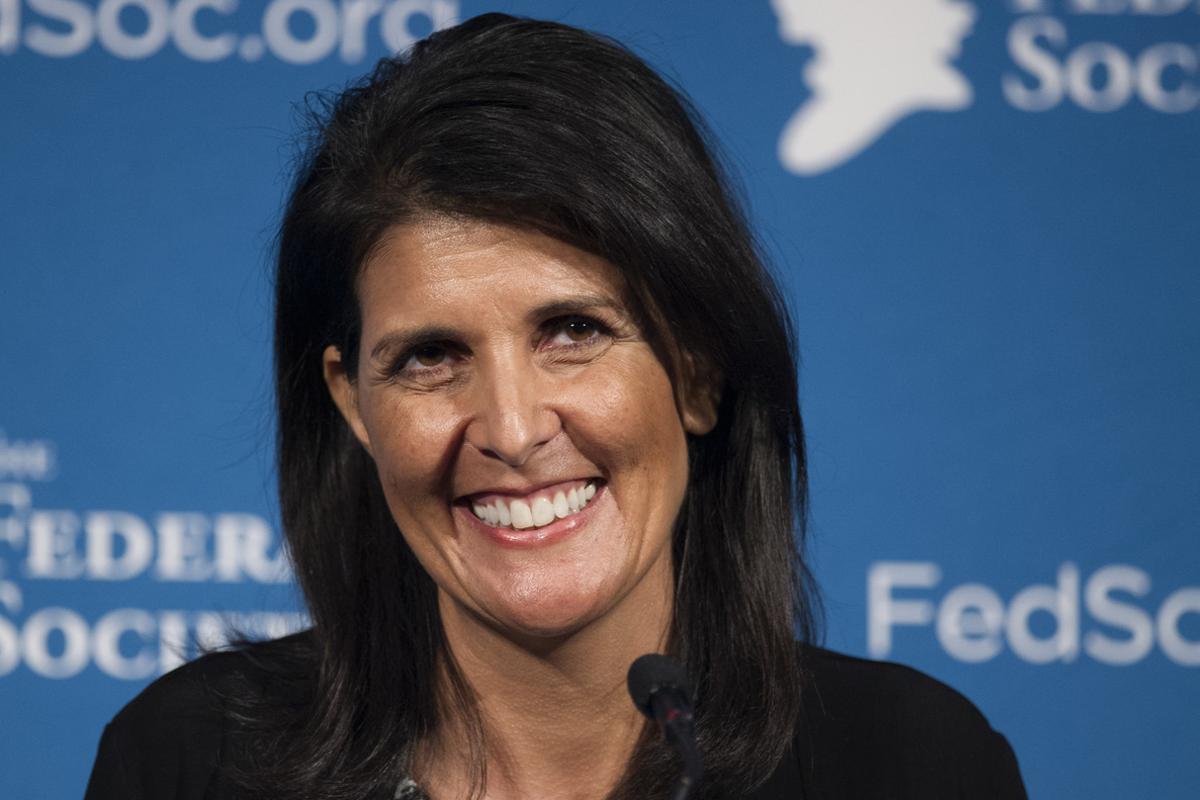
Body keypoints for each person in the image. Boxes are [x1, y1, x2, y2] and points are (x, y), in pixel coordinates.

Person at [84, 13, 1026, 800]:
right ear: (355, 405)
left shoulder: (912, 764)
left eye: (572, 331)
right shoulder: (188, 761)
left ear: (697, 369)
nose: (511, 427)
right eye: (429, 357)